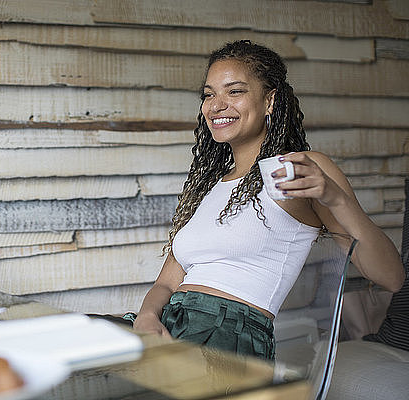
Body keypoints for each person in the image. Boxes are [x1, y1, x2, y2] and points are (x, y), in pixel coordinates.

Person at [131, 40, 405, 360]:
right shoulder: (210, 186)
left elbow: (392, 277)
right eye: (209, 94)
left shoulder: (299, 168)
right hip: (168, 323)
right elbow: (165, 284)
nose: (217, 104)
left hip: (228, 335)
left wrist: (335, 198)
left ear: (270, 100)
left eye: (235, 91)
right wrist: (147, 316)